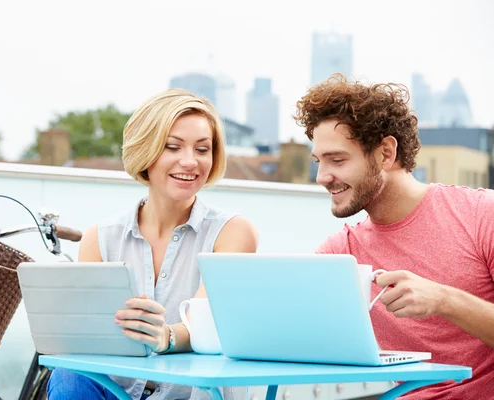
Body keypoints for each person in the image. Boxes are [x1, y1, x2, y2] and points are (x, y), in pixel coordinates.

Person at [47, 88, 258, 400]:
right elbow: (88, 339)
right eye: (173, 147)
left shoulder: (232, 232)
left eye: (203, 150)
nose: (190, 162)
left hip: (192, 395)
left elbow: (206, 323)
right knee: (68, 374)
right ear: (145, 151)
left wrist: (165, 336)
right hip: (116, 393)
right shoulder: (100, 238)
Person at [293, 74, 494, 399]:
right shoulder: (337, 252)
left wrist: (444, 300)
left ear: (385, 153)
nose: (321, 177)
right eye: (318, 161)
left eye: (337, 160)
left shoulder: (481, 215)